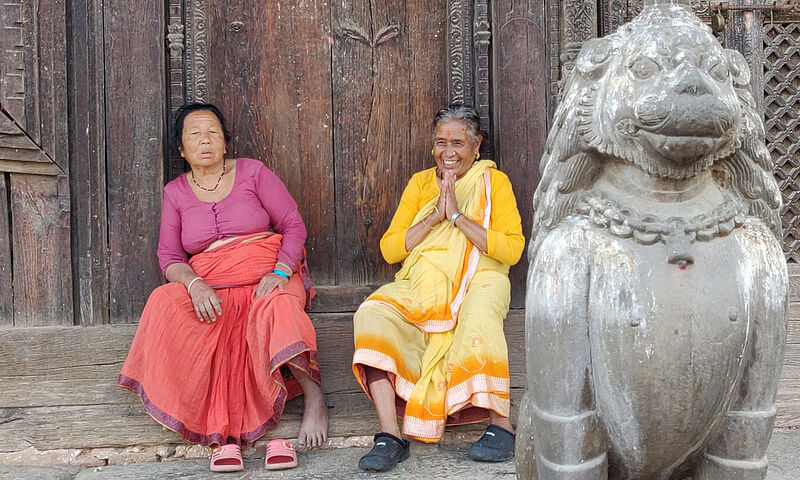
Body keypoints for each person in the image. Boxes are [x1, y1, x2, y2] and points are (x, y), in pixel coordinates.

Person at [118, 103, 328, 473]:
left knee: (275, 307)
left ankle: (314, 399)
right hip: (213, 288)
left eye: (213, 132)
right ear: (182, 149)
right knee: (164, 301)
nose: (205, 140)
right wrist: (194, 283)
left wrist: (280, 272)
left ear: (226, 142)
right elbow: (169, 256)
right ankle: (215, 422)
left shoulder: (253, 172)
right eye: (195, 134)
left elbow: (293, 225)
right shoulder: (175, 193)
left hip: (268, 277)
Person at [352, 103, 525, 472]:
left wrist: (458, 217)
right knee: (372, 313)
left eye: (459, 143)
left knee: (478, 315)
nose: (448, 152)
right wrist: (435, 216)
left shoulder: (495, 183)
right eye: (440, 142)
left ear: (477, 147)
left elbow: (511, 249)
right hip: (423, 280)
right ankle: (390, 435)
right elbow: (391, 247)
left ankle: (500, 425)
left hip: (483, 275)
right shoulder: (419, 184)